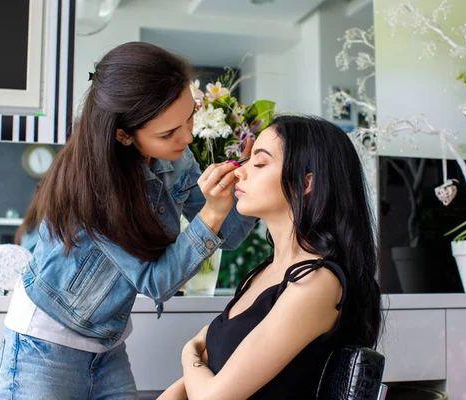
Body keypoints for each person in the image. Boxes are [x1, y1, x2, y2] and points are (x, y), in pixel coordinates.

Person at [0, 42, 257, 399]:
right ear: (123, 135)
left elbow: (229, 235)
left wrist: (248, 185)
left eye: (190, 117)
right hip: (43, 345)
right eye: (168, 133)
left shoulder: (177, 161)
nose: (188, 137)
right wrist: (211, 212)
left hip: (106, 347)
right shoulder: (94, 188)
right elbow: (157, 281)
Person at [160, 115, 383, 400]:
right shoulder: (263, 274)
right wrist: (193, 360)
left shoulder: (317, 284)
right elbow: (201, 378)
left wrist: (188, 353)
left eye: (260, 163)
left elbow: (211, 396)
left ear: (306, 183)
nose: (240, 172)